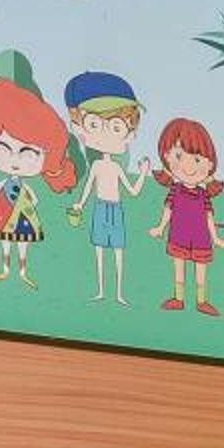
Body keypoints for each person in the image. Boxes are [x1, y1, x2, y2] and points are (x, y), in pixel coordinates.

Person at [0, 62, 76, 289]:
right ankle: (6, 268)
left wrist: (25, 203)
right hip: (5, 214)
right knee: (4, 242)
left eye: (28, 152)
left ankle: (23, 271)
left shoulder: (25, 183)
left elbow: (31, 198)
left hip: (22, 216)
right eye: (1, 148)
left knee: (23, 245)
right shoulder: (2, 180)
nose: (15, 159)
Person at [61, 71, 146, 304]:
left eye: (116, 127)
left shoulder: (114, 168)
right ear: (78, 127)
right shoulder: (97, 165)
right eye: (94, 124)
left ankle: (118, 293)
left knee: (118, 252)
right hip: (100, 208)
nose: (107, 133)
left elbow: (133, 191)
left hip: (115, 209)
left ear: (130, 133)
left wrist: (143, 173)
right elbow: (88, 187)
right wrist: (79, 204)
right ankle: (101, 290)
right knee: (99, 251)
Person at [151, 117, 224, 315]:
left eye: (197, 159)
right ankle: (179, 298)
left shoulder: (203, 195)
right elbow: (168, 209)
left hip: (201, 238)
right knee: (179, 267)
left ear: (209, 164)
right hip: (179, 235)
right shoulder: (175, 190)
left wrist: (215, 237)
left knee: (200, 270)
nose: (188, 166)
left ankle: (201, 301)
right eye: (179, 156)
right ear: (167, 157)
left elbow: (209, 216)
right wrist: (160, 227)